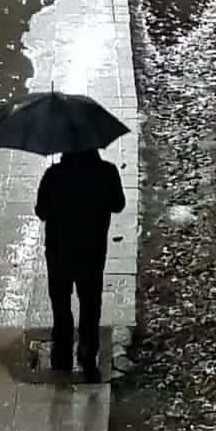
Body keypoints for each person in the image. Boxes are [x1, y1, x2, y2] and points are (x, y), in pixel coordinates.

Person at [35, 147, 126, 378]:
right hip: (92, 251)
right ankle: (87, 348)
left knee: (60, 301)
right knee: (90, 301)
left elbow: (41, 211)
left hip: (59, 252)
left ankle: (62, 349)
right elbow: (118, 204)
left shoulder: (53, 175)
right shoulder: (107, 172)